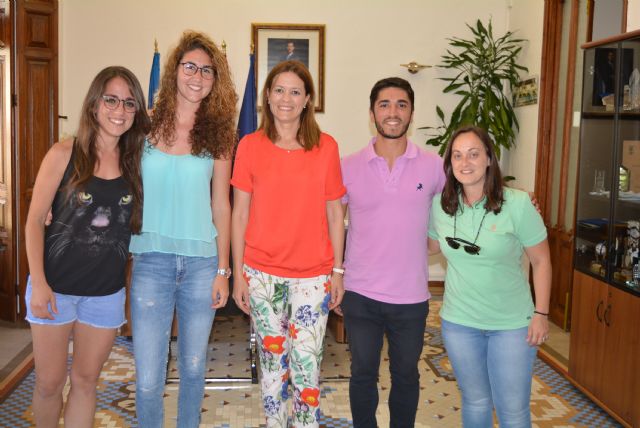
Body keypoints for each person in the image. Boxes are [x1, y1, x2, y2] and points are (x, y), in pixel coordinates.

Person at [24, 66, 150, 428]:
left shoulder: (136, 162)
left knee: (84, 382)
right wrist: (39, 282)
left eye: (129, 103)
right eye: (111, 100)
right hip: (54, 289)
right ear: (94, 104)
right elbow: (34, 221)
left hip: (104, 295)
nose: (119, 110)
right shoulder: (64, 153)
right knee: (49, 383)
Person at [129, 31, 237, 428]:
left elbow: (221, 205)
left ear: (215, 80)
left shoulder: (221, 134)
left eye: (207, 70)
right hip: (151, 262)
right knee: (147, 378)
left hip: (201, 266)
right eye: (190, 66)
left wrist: (223, 269)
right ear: (174, 70)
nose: (197, 76)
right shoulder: (142, 128)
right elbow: (111, 179)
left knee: (193, 369)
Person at [231, 60, 346, 428]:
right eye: (279, 90)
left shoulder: (326, 147)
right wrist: (237, 275)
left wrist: (338, 271)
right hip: (262, 274)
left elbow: (335, 215)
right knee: (272, 369)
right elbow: (238, 215)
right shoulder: (249, 146)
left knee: (307, 370)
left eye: (295, 91)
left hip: (314, 276)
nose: (286, 98)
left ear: (307, 99)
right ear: (266, 96)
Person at [428, 125, 551, 427]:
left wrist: (541, 313)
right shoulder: (441, 205)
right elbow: (428, 246)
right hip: (459, 323)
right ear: (449, 163)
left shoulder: (518, 204)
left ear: (488, 159)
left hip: (511, 326)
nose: (465, 163)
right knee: (475, 401)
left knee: (512, 409)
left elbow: (542, 260)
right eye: (457, 156)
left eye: (473, 154)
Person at [340, 77, 445, 428]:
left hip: (411, 296)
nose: (393, 112)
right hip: (360, 293)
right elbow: (324, 220)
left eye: (401, 104)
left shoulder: (434, 165)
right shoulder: (347, 166)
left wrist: (517, 199)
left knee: (406, 376)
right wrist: (333, 275)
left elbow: (468, 200)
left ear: (411, 113)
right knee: (362, 374)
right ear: (372, 114)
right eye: (384, 104)